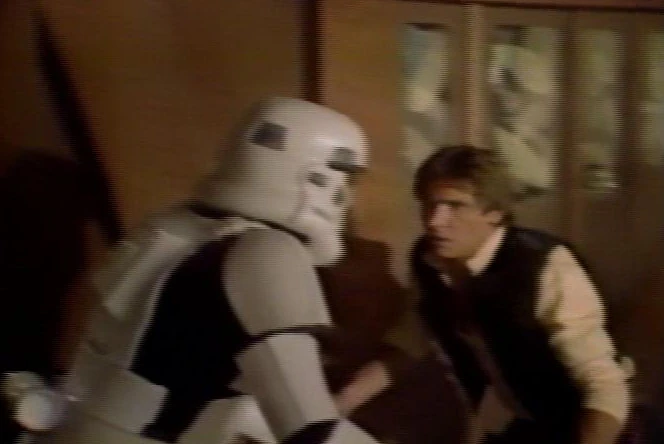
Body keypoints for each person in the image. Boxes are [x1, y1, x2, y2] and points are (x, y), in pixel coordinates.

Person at [3, 97, 382, 444]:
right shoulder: (267, 253)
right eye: (345, 180)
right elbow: (310, 429)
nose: (346, 199)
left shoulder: (170, 227)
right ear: (315, 178)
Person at [410, 145, 632, 443]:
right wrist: (346, 402)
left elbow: (604, 387)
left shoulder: (543, 266)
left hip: (591, 430)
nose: (434, 221)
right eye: (429, 204)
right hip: (523, 423)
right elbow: (413, 340)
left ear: (495, 213)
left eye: (455, 206)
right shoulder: (429, 261)